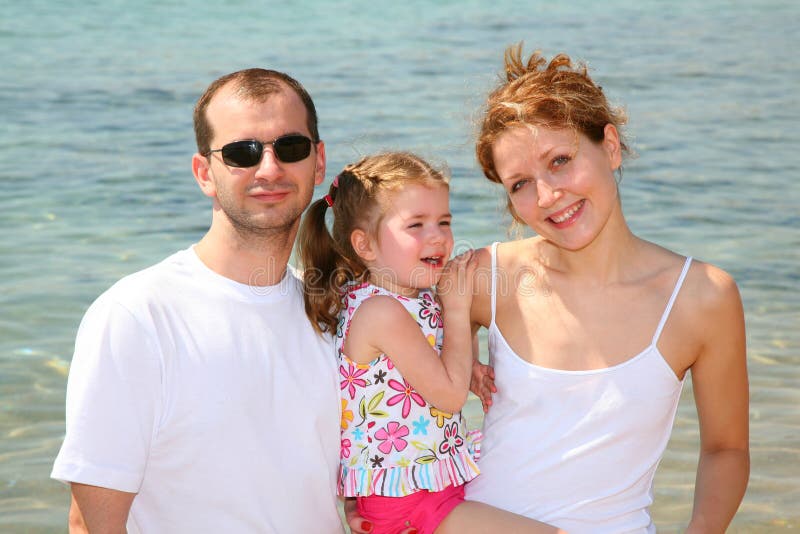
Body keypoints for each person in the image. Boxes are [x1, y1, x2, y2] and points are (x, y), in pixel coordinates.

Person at [463, 45, 750, 533]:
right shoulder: (485, 277)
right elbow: (374, 350)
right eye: (520, 184)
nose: (548, 196)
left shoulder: (702, 297)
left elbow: (726, 449)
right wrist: (454, 352)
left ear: (611, 147)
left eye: (560, 160)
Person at [51, 68, 345, 533]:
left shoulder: (332, 315)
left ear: (319, 161)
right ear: (205, 173)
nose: (269, 168)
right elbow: (91, 525)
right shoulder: (138, 316)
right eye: (241, 153)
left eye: (290, 147)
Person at [297, 152, 564, 534]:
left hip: (432, 481)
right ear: (365, 245)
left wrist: (467, 366)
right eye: (416, 225)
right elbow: (450, 397)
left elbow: (418, 369)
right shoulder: (381, 312)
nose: (437, 236)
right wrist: (456, 310)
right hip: (408, 500)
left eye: (444, 221)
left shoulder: (411, 295)